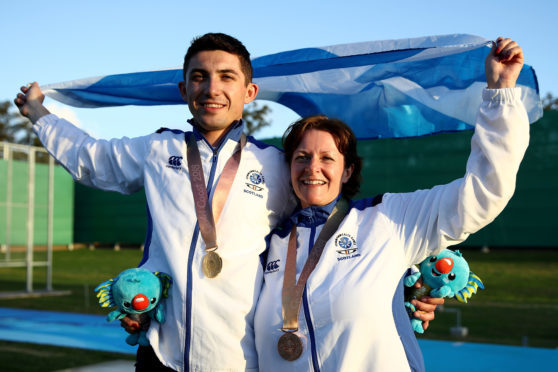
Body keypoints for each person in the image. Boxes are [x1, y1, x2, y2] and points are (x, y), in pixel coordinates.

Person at [15, 33, 441, 371]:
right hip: (162, 354)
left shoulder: (277, 166)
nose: (211, 88)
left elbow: (336, 231)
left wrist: (407, 287)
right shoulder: (157, 151)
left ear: (249, 90)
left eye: (226, 77)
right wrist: (42, 117)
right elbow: (92, 160)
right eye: (199, 76)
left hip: (239, 360)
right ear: (184, 88)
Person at [254, 37, 528, 371]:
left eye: (327, 157)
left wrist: (499, 94)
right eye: (302, 157)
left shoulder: (388, 219)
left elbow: (485, 192)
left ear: (348, 170)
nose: (313, 167)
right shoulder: (269, 241)